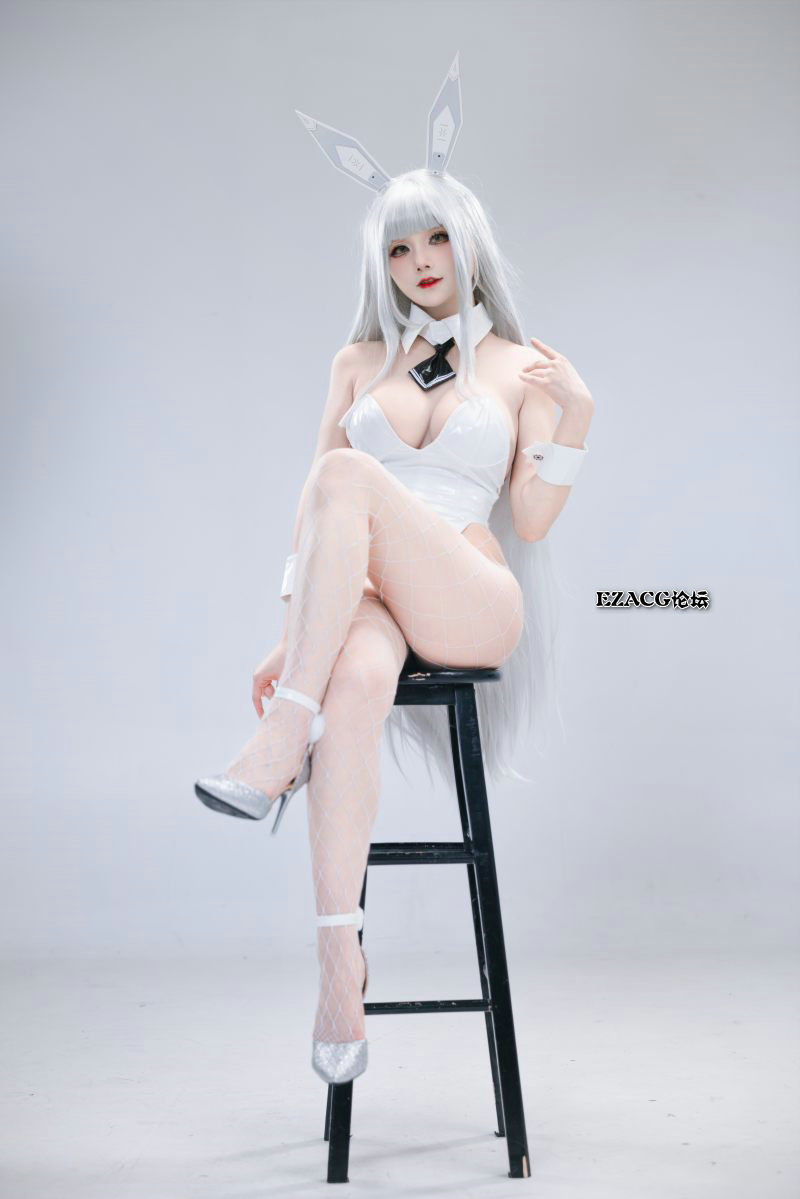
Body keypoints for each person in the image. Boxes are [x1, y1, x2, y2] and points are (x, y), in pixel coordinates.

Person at [195, 54, 593, 1087]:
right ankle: (340, 966)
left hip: (467, 591)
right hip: (366, 598)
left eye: (436, 238)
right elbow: (314, 511)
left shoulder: (514, 364)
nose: (420, 260)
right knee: (353, 680)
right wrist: (295, 630)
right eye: (399, 246)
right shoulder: (356, 362)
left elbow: (532, 518)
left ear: (470, 241)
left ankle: (278, 738)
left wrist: (576, 418)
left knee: (345, 470)